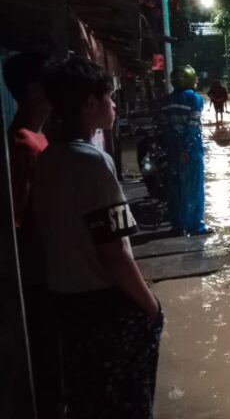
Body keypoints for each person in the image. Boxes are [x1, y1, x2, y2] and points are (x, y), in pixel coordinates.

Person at [34, 57, 163, 419]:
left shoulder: (49, 157)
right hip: (103, 307)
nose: (115, 106)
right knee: (126, 402)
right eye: (110, 98)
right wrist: (150, 304)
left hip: (64, 301)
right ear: (90, 104)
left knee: (87, 399)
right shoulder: (92, 163)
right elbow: (113, 249)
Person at [3, 52, 59, 419]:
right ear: (37, 90)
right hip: (40, 280)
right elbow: (19, 223)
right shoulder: (24, 145)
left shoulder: (38, 139)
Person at [160, 65, 212, 236]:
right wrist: (186, 148)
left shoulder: (167, 100)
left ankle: (178, 225)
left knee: (175, 189)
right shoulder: (194, 99)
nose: (197, 81)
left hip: (172, 150)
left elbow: (165, 128)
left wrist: (175, 148)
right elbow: (192, 126)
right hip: (190, 151)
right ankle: (195, 225)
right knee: (194, 188)